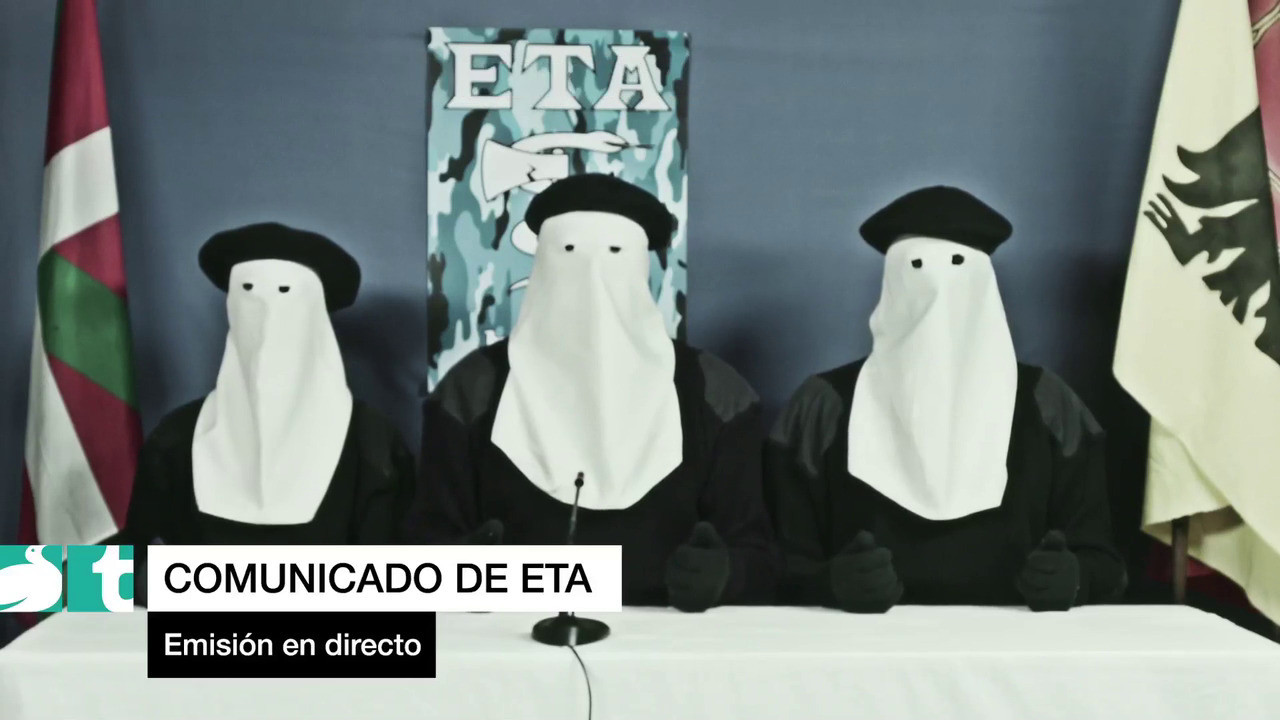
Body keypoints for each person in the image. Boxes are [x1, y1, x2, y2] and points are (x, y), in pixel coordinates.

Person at [408, 174, 778, 611]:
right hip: (510, 636)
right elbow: (423, 550)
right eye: (568, 252)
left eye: (615, 253)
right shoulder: (472, 390)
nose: (591, 276)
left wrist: (725, 576)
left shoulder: (716, 392)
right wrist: (462, 570)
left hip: (672, 638)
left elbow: (761, 556)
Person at [766, 186, 1127, 612]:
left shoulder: (1049, 404)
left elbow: (1105, 561)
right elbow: (776, 563)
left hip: (1016, 645)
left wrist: (1075, 578)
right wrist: (827, 584)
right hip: (862, 645)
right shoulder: (822, 407)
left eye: (957, 266)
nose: (937, 291)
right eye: (916, 267)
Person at [117, 223, 415, 572]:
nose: (265, 312)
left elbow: (396, 578)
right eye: (247, 291)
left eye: (285, 291)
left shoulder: (374, 446)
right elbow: (127, 557)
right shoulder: (176, 440)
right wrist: (68, 585)